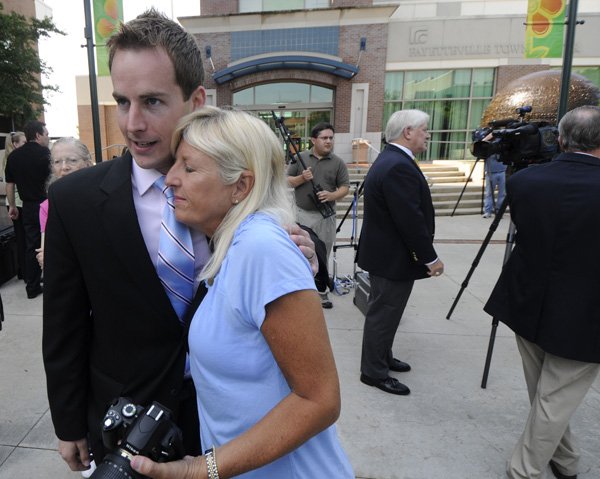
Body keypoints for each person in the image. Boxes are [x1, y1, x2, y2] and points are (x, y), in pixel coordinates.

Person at [41, 9, 316, 475]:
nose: (132, 123)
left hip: (233, 427)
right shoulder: (75, 200)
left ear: (195, 100)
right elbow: (64, 325)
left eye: (151, 101)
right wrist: (68, 423)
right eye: (121, 101)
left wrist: (306, 252)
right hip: (124, 425)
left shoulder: (235, 189)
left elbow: (280, 260)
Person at [129, 105, 353, 479]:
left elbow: (319, 400)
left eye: (188, 166)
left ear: (241, 186)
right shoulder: (233, 245)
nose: (169, 179)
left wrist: (202, 469)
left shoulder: (260, 248)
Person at [484, 105, 600, 479]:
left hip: (527, 302)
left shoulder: (524, 182)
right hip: (583, 316)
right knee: (553, 399)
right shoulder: (527, 182)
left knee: (548, 397)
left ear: (561, 139)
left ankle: (566, 461)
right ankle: (524, 470)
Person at [357, 109, 444, 396]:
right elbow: (410, 219)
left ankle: (382, 357)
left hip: (389, 256)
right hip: (392, 258)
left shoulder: (392, 160)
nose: (427, 135)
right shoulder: (397, 165)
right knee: (383, 314)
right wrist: (430, 258)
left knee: (388, 314)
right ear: (408, 132)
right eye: (424, 130)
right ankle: (374, 372)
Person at [287, 122, 349, 308]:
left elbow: (344, 188)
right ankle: (301, 289)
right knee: (300, 253)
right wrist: (301, 178)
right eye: (324, 138)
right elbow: (287, 181)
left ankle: (322, 290)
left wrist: (331, 195)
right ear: (314, 140)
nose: (328, 141)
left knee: (323, 254)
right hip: (302, 214)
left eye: (331, 138)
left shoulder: (338, 162)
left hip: (325, 217)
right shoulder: (300, 158)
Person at [5, 121, 50, 299]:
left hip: (29, 206)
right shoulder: (46, 154)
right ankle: (52, 280)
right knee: (52, 243)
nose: (47, 136)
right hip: (47, 205)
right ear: (38, 135)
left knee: (31, 245)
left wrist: (13, 206)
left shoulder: (14, 157)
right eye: (46, 133)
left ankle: (32, 286)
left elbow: (10, 185)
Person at [36, 137, 94, 269]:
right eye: (57, 162)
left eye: (72, 160)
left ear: (88, 164)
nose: (64, 167)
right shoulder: (47, 207)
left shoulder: (101, 198)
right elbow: (46, 257)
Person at [2, 132, 27, 281]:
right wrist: (13, 205)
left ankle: (23, 270)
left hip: (16, 203)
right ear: (15, 144)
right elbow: (10, 185)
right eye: (24, 142)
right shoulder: (12, 160)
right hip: (16, 203)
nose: (27, 144)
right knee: (23, 239)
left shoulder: (11, 159)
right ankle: (24, 271)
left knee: (22, 238)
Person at [482, 152, 507, 218]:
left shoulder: (502, 143)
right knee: (489, 193)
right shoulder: (488, 143)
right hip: (491, 172)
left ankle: (499, 212)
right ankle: (488, 211)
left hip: (502, 171)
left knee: (502, 193)